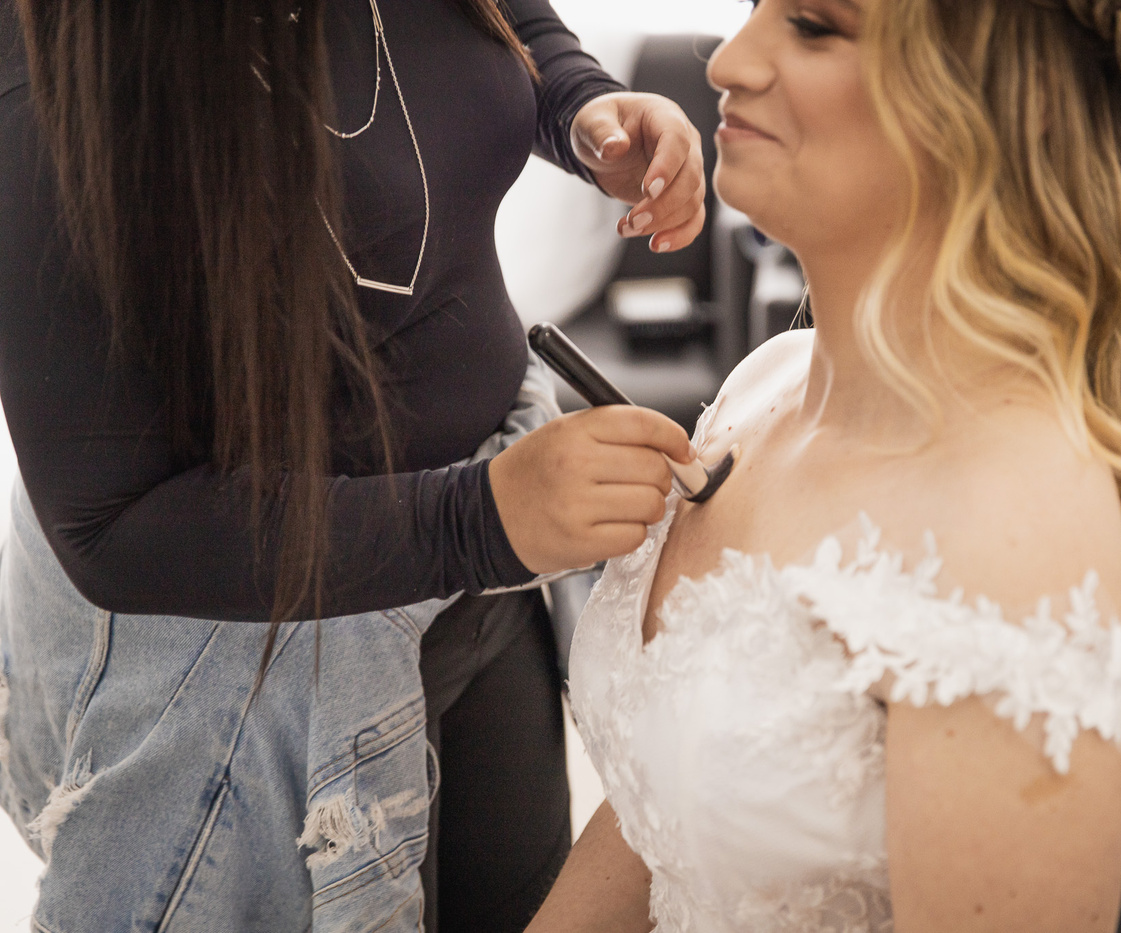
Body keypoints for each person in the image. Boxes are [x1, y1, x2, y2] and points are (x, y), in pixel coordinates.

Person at [0, 1, 707, 930]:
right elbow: (110, 523)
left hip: (481, 577)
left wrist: (578, 103)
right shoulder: (49, 74)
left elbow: (505, 21)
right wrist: (480, 520)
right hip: (252, 651)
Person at [526, 0, 1121, 930]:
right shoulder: (763, 385)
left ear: (990, 104)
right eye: (755, 10)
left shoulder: (1011, 528)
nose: (727, 63)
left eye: (814, 25)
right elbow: (665, 807)